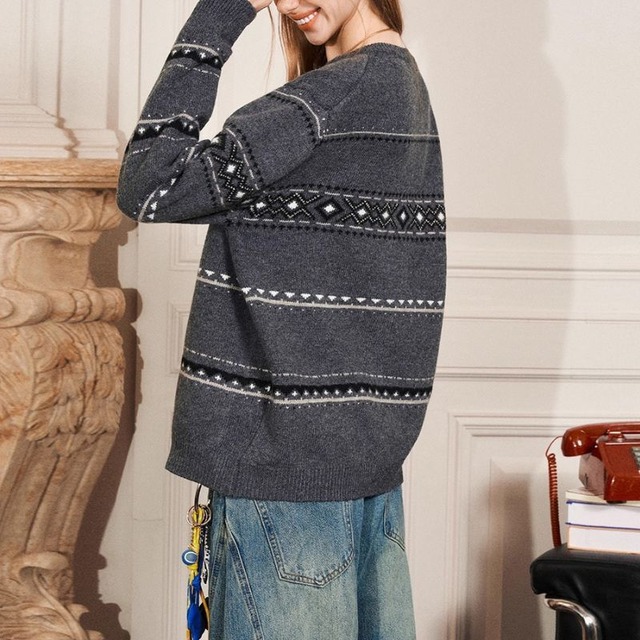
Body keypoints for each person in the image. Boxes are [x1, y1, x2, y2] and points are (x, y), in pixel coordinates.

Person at [117, 0, 446, 637]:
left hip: (284, 472)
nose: (290, 2)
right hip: (359, 463)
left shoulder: (328, 99)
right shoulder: (398, 85)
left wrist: (220, 13)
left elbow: (148, 185)